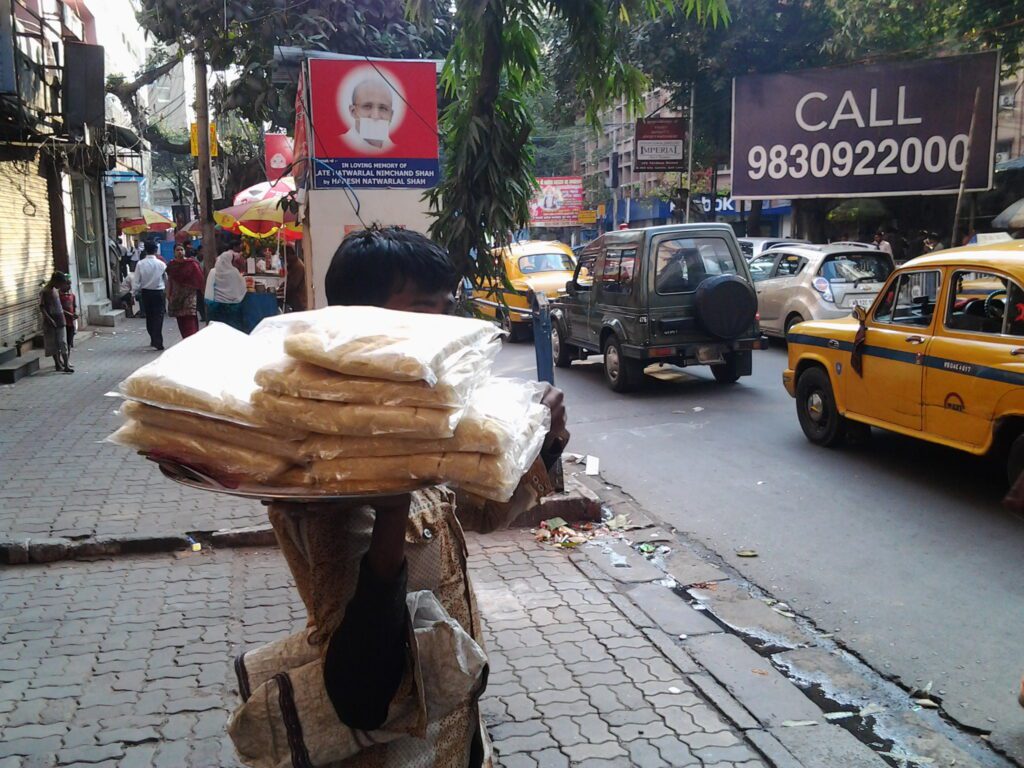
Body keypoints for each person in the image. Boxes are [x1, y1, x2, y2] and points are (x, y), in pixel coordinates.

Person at [229, 227, 569, 767]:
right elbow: (359, 685)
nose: (444, 328)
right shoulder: (324, 475)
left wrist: (543, 448)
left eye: (446, 307)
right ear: (364, 324)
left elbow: (481, 513)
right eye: (422, 311)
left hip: (457, 730)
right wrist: (390, 511)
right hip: (392, 748)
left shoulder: (417, 426)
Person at [346, 75, 395, 152]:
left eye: (383, 108)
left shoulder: (401, 151)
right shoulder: (334, 146)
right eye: (367, 106)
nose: (375, 116)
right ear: (353, 112)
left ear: (391, 116)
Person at [133, 240, 167, 350]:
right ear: (156, 250)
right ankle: (158, 339)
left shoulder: (140, 264)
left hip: (146, 293)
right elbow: (166, 279)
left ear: (145, 250)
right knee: (159, 316)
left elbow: (136, 280)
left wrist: (134, 292)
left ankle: (153, 338)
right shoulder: (162, 264)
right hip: (159, 292)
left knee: (149, 316)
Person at [165, 244, 205, 339]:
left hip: (190, 295)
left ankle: (192, 339)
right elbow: (169, 280)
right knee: (181, 319)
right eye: (177, 250)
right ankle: (185, 339)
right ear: (174, 252)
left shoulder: (192, 264)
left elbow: (200, 279)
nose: (180, 252)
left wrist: (202, 291)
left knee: (190, 318)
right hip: (176, 296)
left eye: (181, 249)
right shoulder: (171, 265)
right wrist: (168, 294)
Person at [205, 250, 248, 329]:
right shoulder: (234, 272)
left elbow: (208, 289)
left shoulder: (213, 272)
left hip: (215, 308)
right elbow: (242, 288)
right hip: (232, 310)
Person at [40, 272, 71, 373]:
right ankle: (57, 364)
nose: (61, 286)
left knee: (62, 342)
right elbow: (42, 307)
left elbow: (59, 307)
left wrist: (68, 314)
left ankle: (66, 365)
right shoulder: (45, 291)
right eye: (60, 283)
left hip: (60, 319)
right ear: (55, 281)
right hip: (50, 321)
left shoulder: (55, 290)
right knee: (54, 345)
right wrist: (49, 319)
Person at [59, 276, 78, 355]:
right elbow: (59, 309)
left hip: (71, 322)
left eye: (69, 284)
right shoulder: (58, 296)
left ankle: (68, 359)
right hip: (62, 322)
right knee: (63, 343)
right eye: (67, 284)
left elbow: (74, 307)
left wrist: (75, 314)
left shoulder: (72, 296)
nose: (69, 286)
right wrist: (69, 314)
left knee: (69, 342)